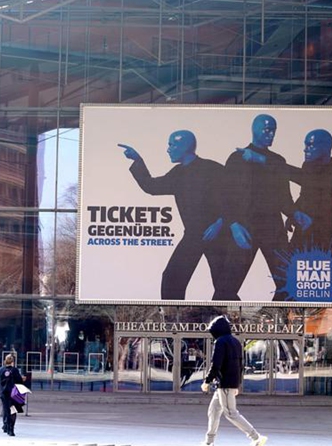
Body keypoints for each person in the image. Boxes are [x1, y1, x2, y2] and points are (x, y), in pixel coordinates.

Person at [119, 130, 228, 300]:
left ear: (184, 147)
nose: (168, 149)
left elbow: (235, 198)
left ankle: (232, 321)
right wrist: (138, 160)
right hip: (193, 235)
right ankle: (172, 320)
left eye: (172, 144)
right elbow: (152, 187)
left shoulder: (213, 169)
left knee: (224, 286)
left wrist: (220, 223)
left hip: (219, 235)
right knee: (172, 278)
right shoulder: (177, 173)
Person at [220, 114, 310, 300]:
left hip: (273, 227)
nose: (271, 134)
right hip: (245, 226)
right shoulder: (237, 159)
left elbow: (284, 197)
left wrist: (294, 213)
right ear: (254, 129)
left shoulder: (277, 161)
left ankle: (274, 321)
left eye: (273, 131)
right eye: (266, 129)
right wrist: (234, 225)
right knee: (227, 286)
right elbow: (224, 196)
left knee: (288, 283)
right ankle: (223, 324)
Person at [200, 315, 267, 446]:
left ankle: (256, 437)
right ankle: (209, 442)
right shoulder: (236, 342)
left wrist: (206, 381)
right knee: (213, 411)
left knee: (231, 413)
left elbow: (216, 364)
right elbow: (240, 365)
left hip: (224, 384)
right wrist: (237, 384)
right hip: (227, 384)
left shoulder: (220, 342)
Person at [0, 353, 24, 436]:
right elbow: (19, 381)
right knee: (13, 411)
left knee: (5, 410)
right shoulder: (15, 370)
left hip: (3, 393)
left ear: (5, 361)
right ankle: (10, 429)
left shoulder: (0, 370)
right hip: (13, 394)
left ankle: (5, 425)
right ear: (12, 362)